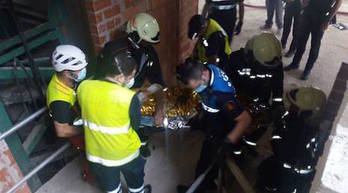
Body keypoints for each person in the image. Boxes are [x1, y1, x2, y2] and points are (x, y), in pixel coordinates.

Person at [77, 45, 151, 193]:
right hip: (126, 154)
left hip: (97, 155)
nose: (131, 80)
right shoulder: (128, 98)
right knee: (136, 184)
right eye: (131, 76)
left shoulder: (83, 87)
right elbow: (135, 125)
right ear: (119, 77)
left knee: (111, 188)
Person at [176, 60, 252, 193]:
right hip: (212, 117)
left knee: (206, 161)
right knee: (209, 161)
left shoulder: (222, 95)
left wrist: (227, 140)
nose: (195, 90)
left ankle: (200, 189)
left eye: (195, 87)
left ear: (203, 77)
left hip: (221, 128)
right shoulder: (208, 68)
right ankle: (208, 184)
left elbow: (245, 120)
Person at [227, 32, 285, 145]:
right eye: (263, 66)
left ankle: (249, 143)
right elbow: (225, 87)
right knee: (235, 128)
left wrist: (277, 105)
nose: (267, 70)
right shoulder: (235, 60)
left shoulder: (274, 63)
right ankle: (236, 147)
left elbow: (278, 87)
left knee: (260, 126)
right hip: (238, 102)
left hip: (260, 103)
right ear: (251, 56)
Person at [47, 45, 92, 180]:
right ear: (67, 72)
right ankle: (89, 175)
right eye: (80, 68)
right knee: (91, 151)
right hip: (73, 127)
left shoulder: (64, 79)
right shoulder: (59, 101)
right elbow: (62, 131)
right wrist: (87, 129)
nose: (84, 70)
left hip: (77, 115)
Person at [284, 0, 343, 80]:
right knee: (301, 40)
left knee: (315, 44)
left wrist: (328, 19)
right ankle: (295, 63)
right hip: (308, 12)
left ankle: (307, 69)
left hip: (322, 16)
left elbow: (338, 2)